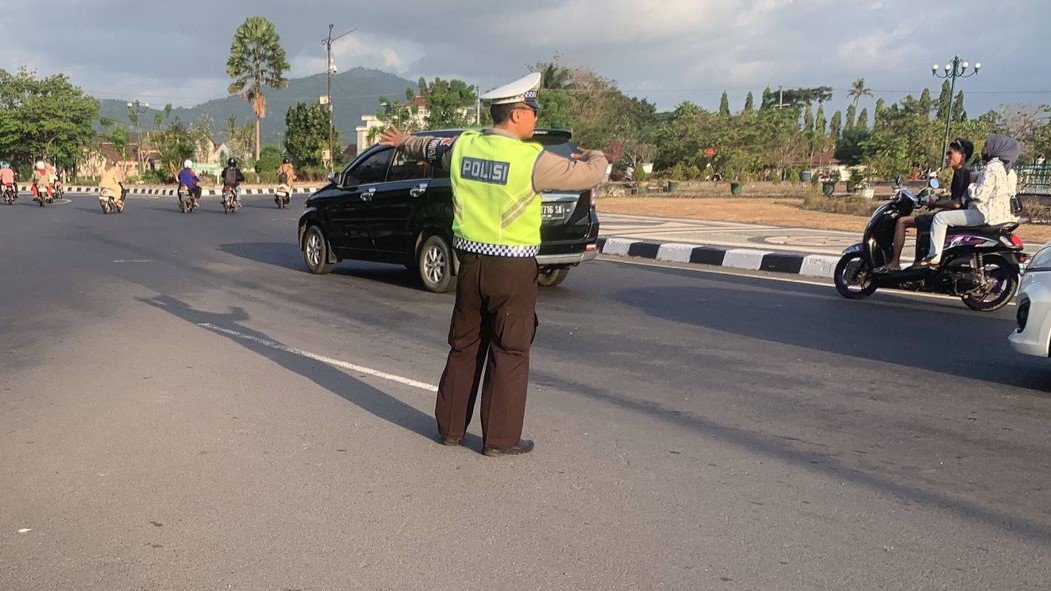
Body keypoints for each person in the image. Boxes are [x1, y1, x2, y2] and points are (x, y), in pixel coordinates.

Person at [380, 72, 609, 457]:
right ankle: (500, 440)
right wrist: (592, 154)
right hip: (513, 269)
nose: (535, 119)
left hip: (469, 265)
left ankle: (450, 429)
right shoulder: (532, 160)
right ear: (517, 114)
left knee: (464, 345)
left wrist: (403, 141)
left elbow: (429, 147)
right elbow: (593, 173)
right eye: (532, 111)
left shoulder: (465, 147)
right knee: (510, 350)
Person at [920, 134, 1021, 267]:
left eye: (986, 145)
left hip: (985, 214)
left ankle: (934, 256)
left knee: (940, 218)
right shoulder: (1009, 171)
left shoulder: (992, 168)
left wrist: (971, 184)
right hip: (1003, 215)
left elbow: (981, 195)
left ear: (997, 148)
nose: (983, 149)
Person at [877, 138, 974, 272]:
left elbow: (957, 203)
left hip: (956, 217)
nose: (947, 157)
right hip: (957, 215)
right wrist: (937, 204)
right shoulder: (962, 173)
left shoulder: (962, 174)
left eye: (950, 154)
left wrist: (935, 203)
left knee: (902, 221)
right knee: (922, 222)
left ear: (962, 157)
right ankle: (918, 263)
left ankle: (894, 263)